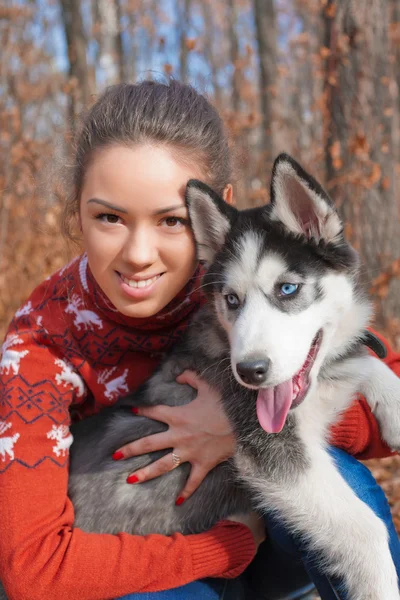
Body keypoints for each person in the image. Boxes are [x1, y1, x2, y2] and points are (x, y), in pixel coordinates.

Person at [0, 80, 398, 600]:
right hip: (145, 560)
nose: (139, 255)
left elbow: (373, 375)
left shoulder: (230, 275)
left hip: (261, 533)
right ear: (76, 212)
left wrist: (234, 431)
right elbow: (32, 569)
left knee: (350, 489)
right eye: (109, 217)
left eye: (170, 220)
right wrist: (224, 547)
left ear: (211, 216)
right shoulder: (39, 350)